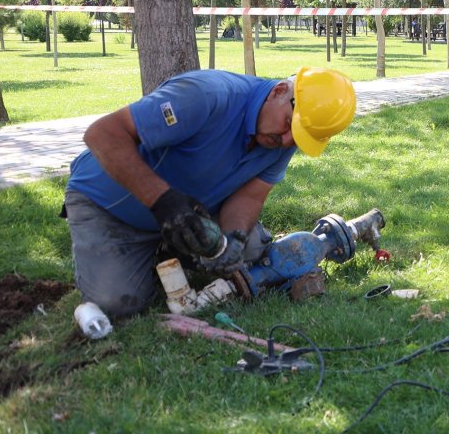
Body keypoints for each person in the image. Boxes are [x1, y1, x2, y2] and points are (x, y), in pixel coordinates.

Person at [63, 66, 357, 318]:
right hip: (108, 203)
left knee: (250, 250)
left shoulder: (280, 139)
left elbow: (250, 195)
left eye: (299, 138)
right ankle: (142, 249)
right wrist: (162, 202)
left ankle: (170, 246)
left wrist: (234, 239)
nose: (284, 141)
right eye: (288, 126)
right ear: (279, 91)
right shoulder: (206, 96)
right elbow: (101, 134)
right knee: (117, 302)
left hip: (184, 210)